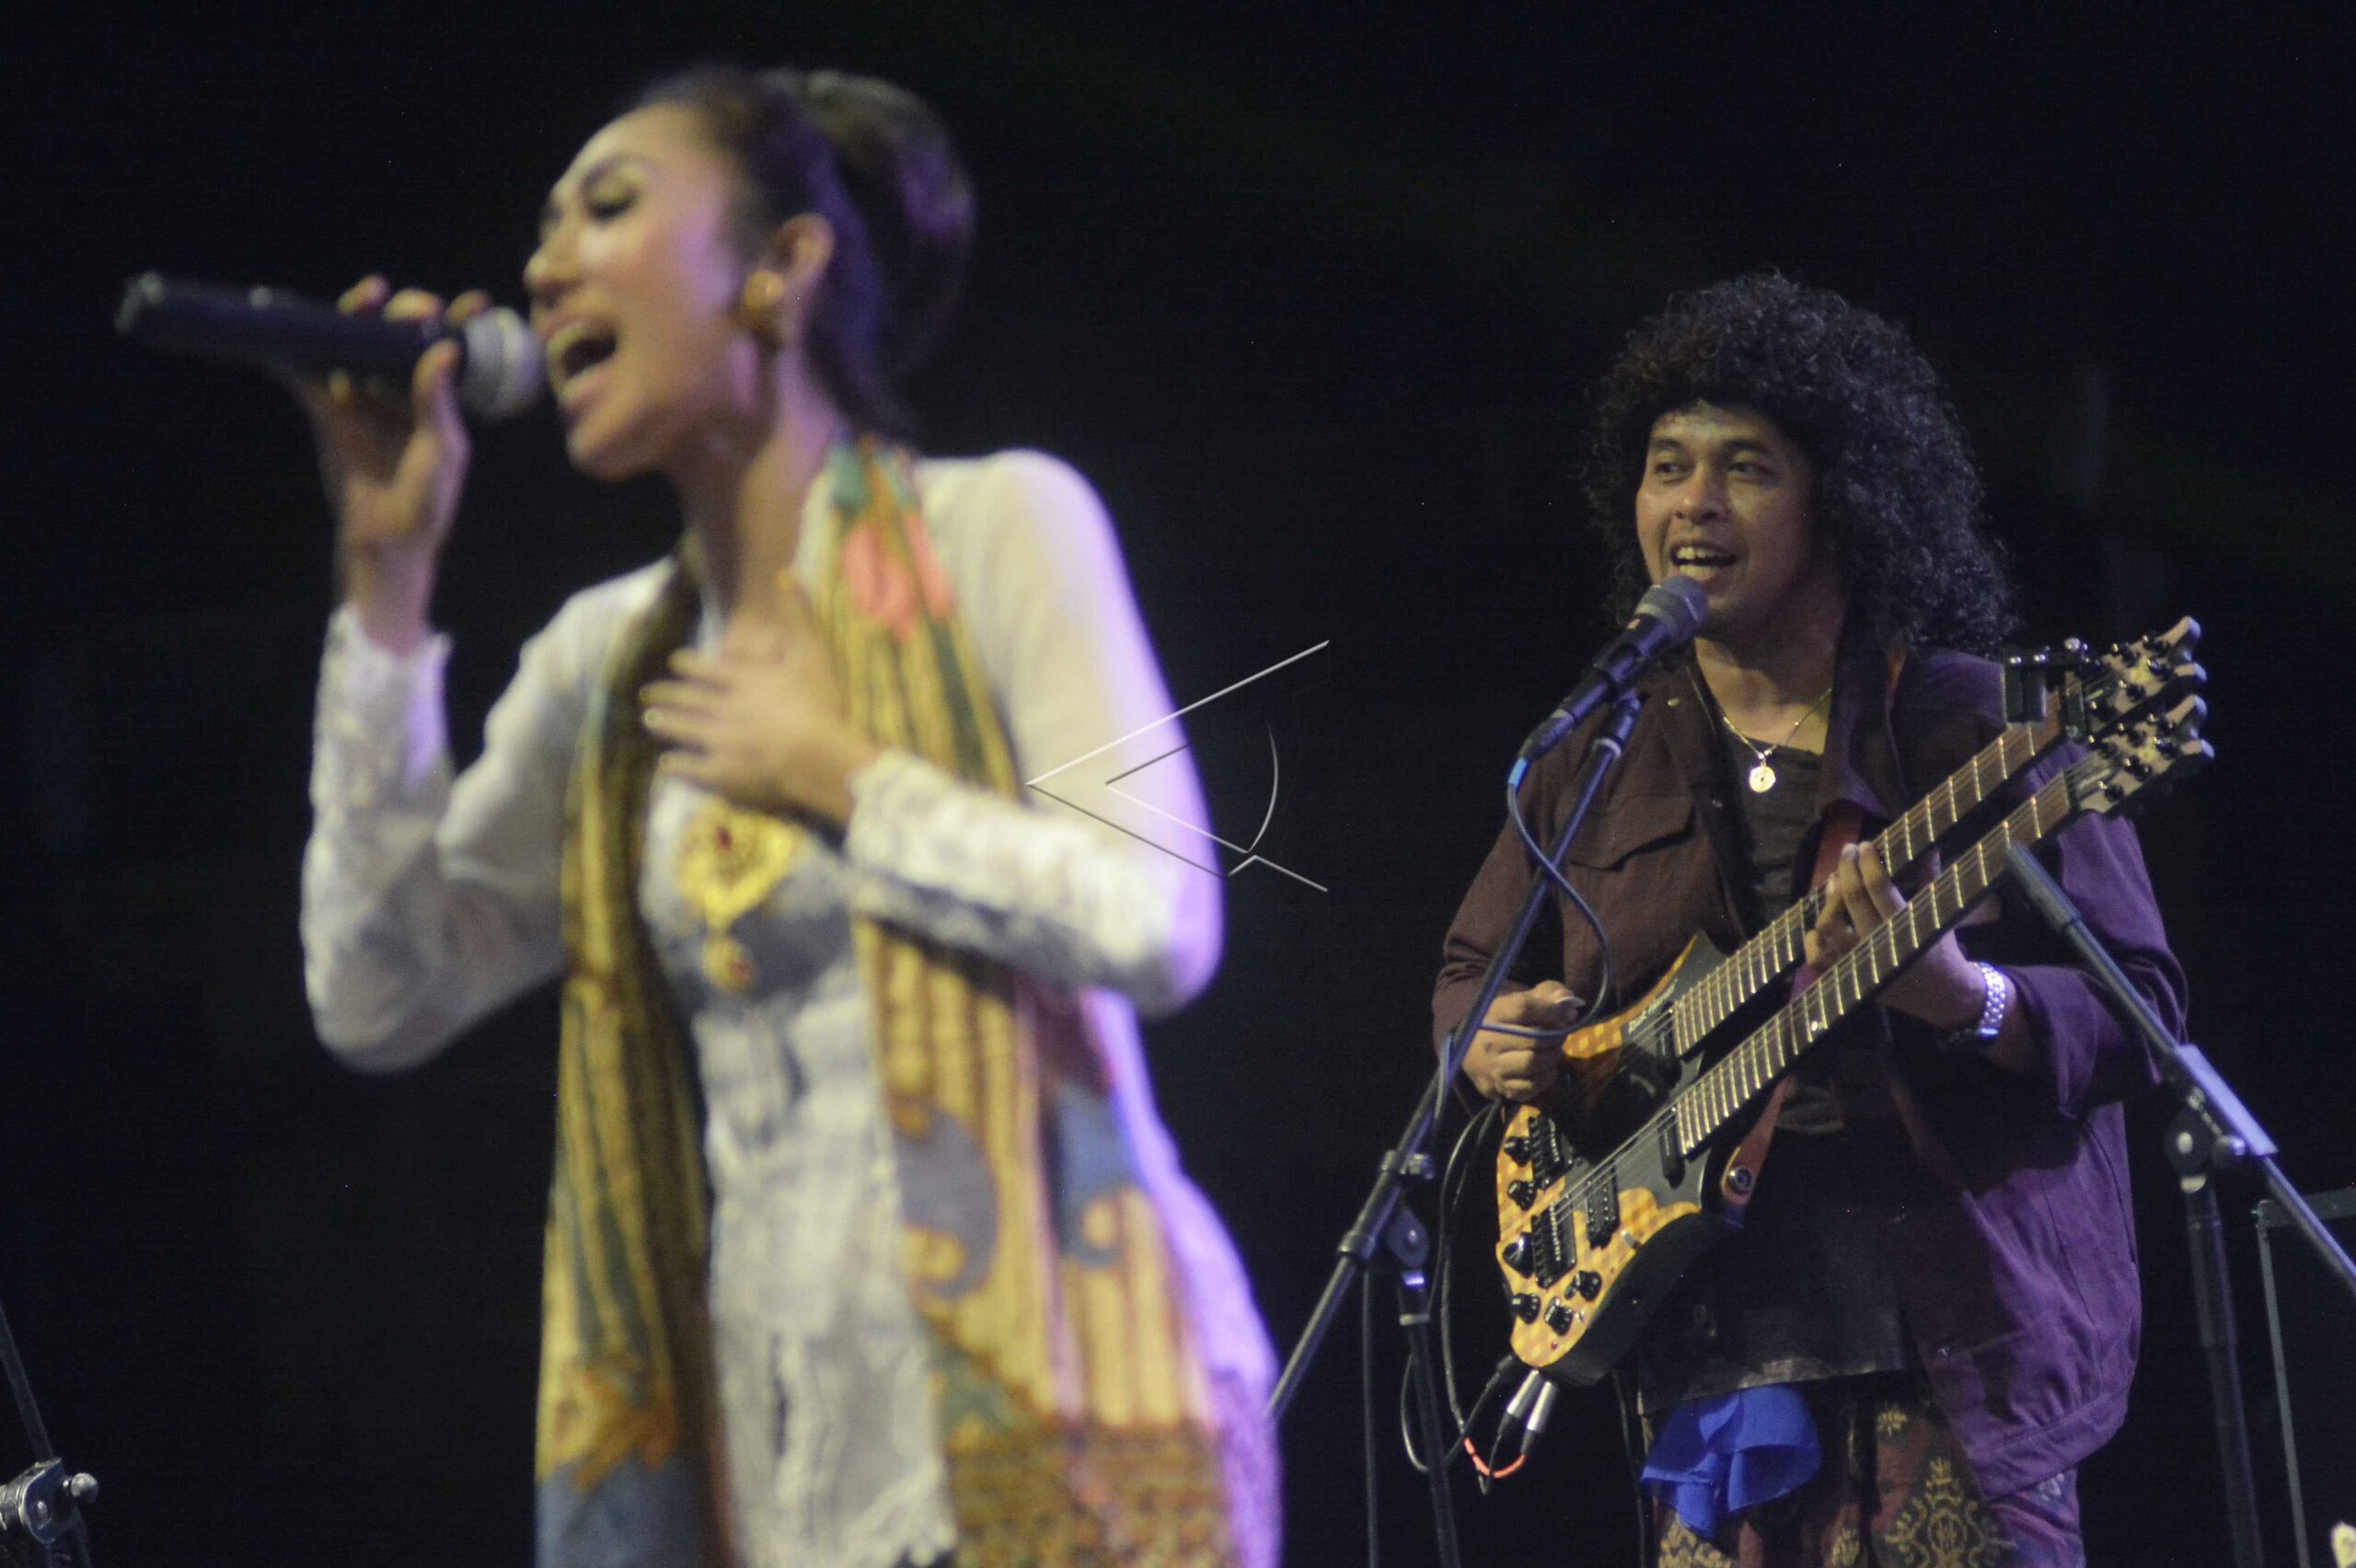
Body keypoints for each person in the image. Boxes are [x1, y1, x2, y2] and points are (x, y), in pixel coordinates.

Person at [296, 64, 1276, 1568]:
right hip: (793, 1467)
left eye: (609, 207)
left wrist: (842, 779)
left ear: (781, 266)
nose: (546, 268)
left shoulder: (999, 523)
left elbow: (1161, 920)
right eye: (544, 230)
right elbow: (382, 995)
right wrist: (387, 578)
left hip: (1079, 1413)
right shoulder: (608, 667)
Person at [1434, 274, 2184, 1567]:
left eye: (1746, 468)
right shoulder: (1594, 755)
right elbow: (1467, 977)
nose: (1694, 503)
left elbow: (2145, 1012)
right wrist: (1488, 1041)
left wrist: (1967, 1001)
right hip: (1704, 1355)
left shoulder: (1975, 724)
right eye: (1667, 467)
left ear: (1840, 500)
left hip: (1948, 1343)